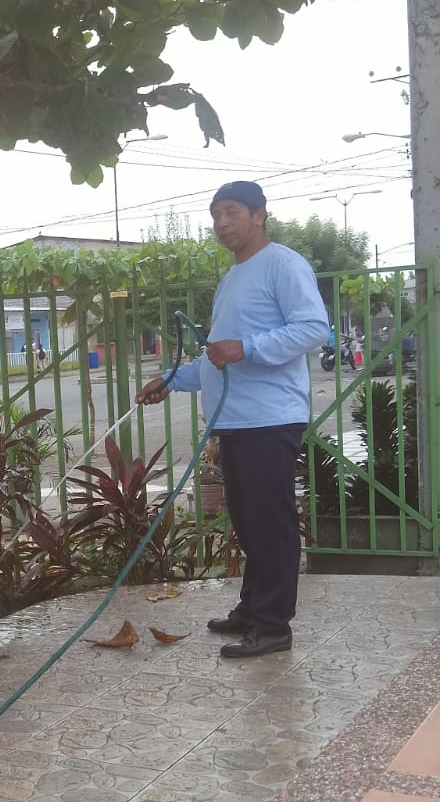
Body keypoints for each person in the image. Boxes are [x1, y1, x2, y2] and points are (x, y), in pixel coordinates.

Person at [138, 180, 329, 659]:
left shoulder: (283, 264)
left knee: (271, 523)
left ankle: (273, 626)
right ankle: (251, 609)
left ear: (259, 215)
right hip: (236, 421)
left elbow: (313, 329)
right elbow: (218, 357)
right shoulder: (233, 277)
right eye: (215, 215)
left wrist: (247, 348)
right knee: (248, 521)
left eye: (231, 212)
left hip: (269, 419)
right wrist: (172, 379)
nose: (222, 223)